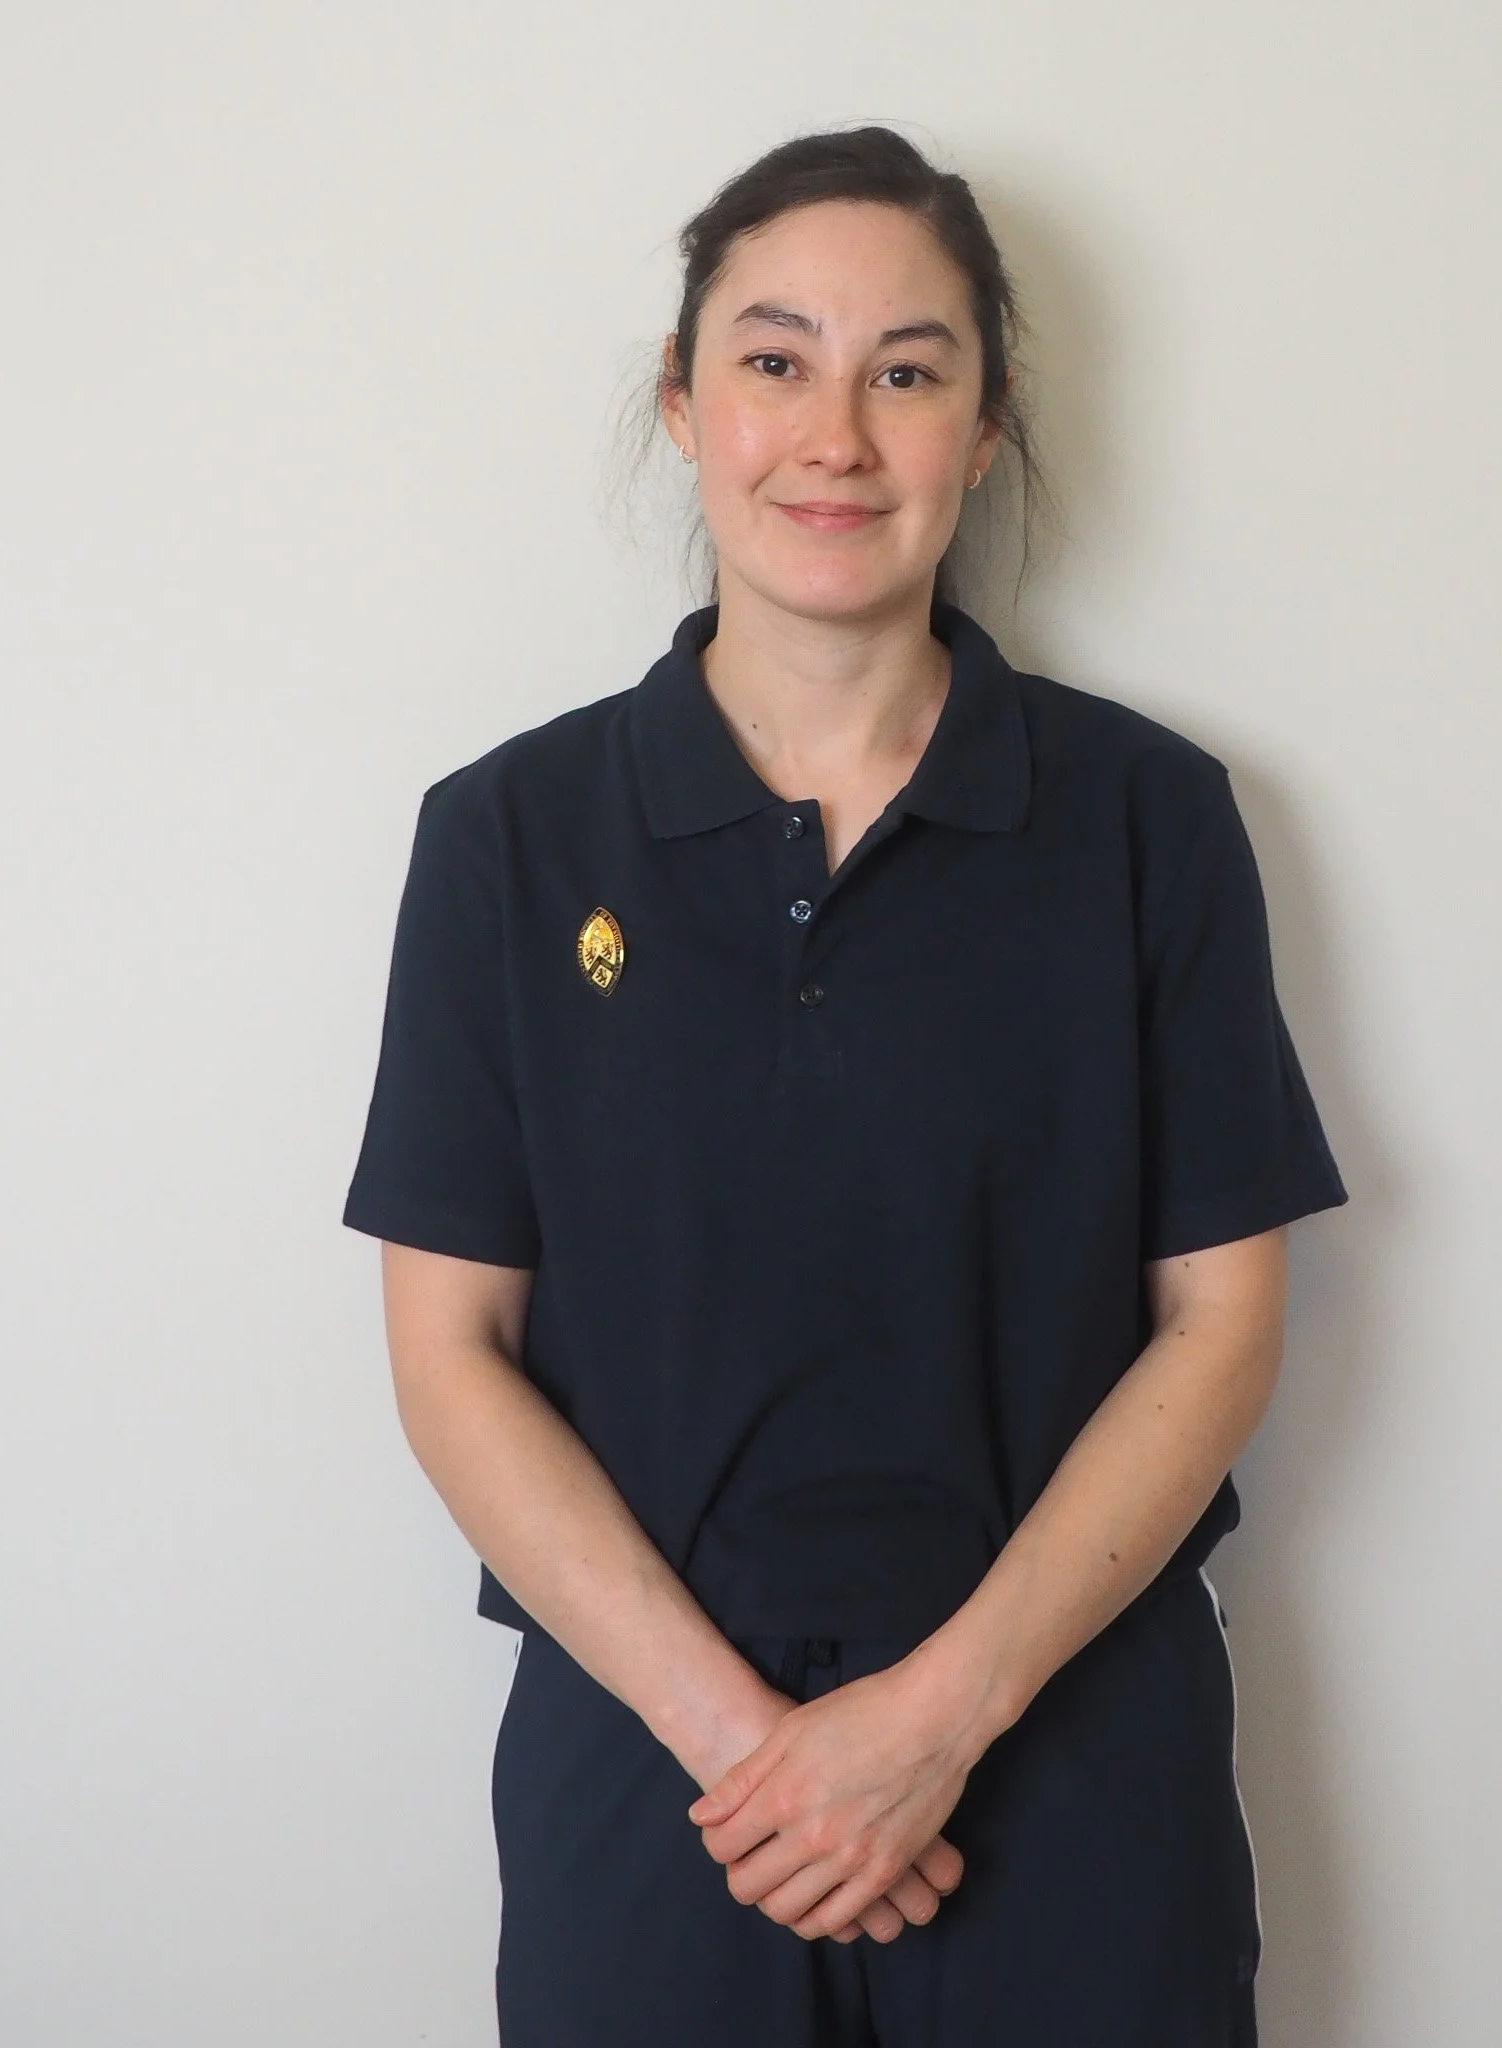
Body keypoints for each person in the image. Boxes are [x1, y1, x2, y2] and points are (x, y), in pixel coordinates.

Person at [343, 124, 1347, 2048]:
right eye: (774, 359)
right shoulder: (506, 840)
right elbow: (448, 1353)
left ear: (986, 424)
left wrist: (935, 1722)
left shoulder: (1147, 818)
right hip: (658, 1775)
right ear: (682, 402)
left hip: (1070, 1750)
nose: (835, 435)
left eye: (906, 370)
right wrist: (759, 1757)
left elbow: (1220, 1326)